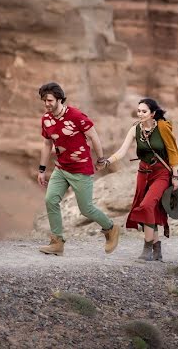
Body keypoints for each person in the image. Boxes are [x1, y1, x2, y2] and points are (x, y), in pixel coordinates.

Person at [37, 81, 120, 256]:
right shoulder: (46, 119)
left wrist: (100, 159)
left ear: (59, 99)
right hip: (61, 168)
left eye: (49, 100)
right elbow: (46, 144)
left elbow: (94, 136)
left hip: (81, 169)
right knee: (50, 200)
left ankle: (111, 229)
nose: (46, 104)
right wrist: (42, 169)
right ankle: (57, 243)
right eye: (44, 100)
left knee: (86, 209)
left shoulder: (75, 116)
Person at [100, 98, 178, 261]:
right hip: (143, 173)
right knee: (150, 208)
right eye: (138, 111)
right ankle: (157, 249)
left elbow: (173, 152)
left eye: (144, 111)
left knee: (146, 206)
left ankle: (147, 249)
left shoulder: (163, 127)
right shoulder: (135, 129)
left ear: (152, 113)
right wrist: (109, 160)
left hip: (161, 173)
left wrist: (174, 176)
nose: (140, 114)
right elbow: (123, 151)